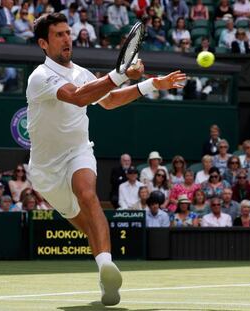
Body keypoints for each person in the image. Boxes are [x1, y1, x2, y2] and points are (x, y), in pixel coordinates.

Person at [27, 13, 185, 306]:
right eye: (58, 35)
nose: (66, 39)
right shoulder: (39, 77)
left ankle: (106, 267)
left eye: (67, 33)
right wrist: (120, 74)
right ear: (43, 44)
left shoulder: (82, 72)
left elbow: (109, 100)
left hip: (78, 151)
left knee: (88, 195)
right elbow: (77, 97)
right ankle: (105, 274)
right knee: (88, 226)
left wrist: (151, 84)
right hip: (45, 172)